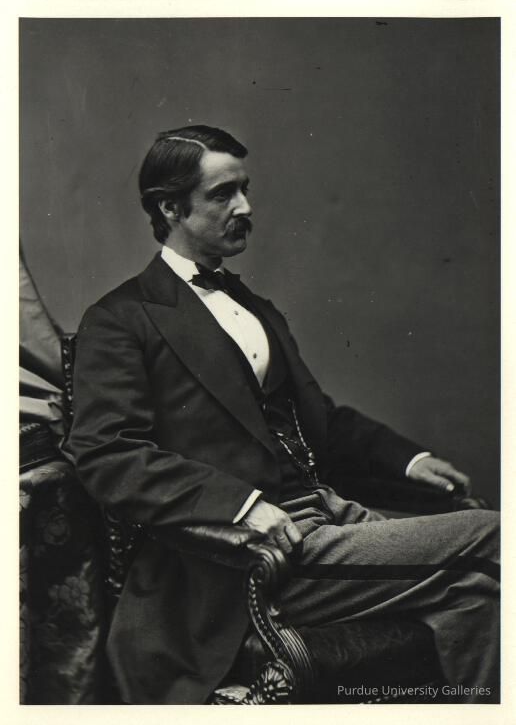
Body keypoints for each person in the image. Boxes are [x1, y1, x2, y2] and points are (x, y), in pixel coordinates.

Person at [68, 125, 499, 705]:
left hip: (325, 517)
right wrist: (241, 506)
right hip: (243, 558)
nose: (245, 208)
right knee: (494, 534)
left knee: (477, 596)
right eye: (223, 194)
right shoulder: (121, 318)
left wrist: (410, 461)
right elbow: (106, 453)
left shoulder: (252, 307)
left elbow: (318, 419)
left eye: (245, 189)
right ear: (170, 207)